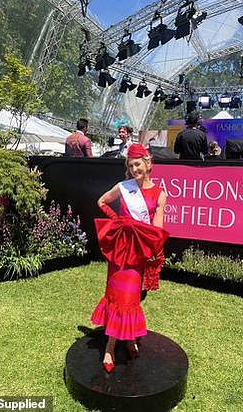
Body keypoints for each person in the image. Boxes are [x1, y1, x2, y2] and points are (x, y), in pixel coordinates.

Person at [91, 143, 168, 373]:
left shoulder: (160, 195)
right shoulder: (123, 187)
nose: (135, 169)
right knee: (117, 296)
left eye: (138, 164)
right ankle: (110, 347)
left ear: (148, 163)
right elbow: (102, 201)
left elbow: (157, 232)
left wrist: (154, 255)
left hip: (139, 252)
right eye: (131, 165)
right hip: (120, 250)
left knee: (132, 299)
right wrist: (117, 220)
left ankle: (129, 338)